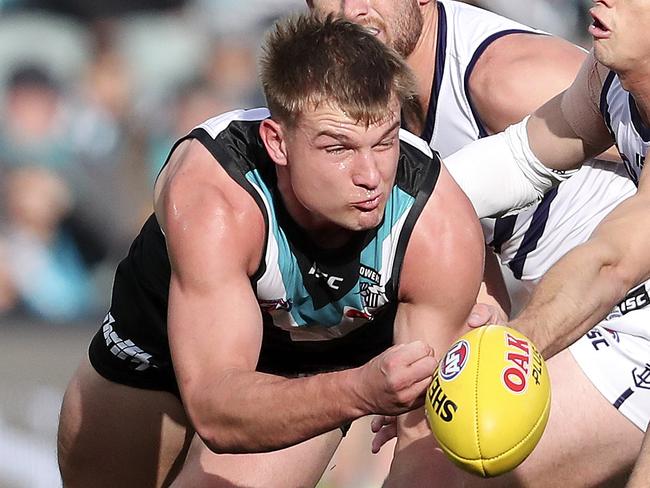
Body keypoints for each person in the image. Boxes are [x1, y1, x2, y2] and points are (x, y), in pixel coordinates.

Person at [56, 14, 484, 487]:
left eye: (384, 142)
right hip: (159, 336)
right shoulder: (214, 195)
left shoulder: (436, 225)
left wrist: (363, 391)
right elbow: (216, 409)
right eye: (338, 148)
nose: (370, 175)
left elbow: (423, 442)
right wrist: (362, 391)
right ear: (277, 143)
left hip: (309, 364)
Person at [308, 1, 641, 486]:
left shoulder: (506, 75)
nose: (349, 10)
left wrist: (493, 360)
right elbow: (514, 164)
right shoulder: (605, 78)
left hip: (620, 310)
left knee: (447, 461)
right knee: (430, 441)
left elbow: (613, 261)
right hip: (580, 308)